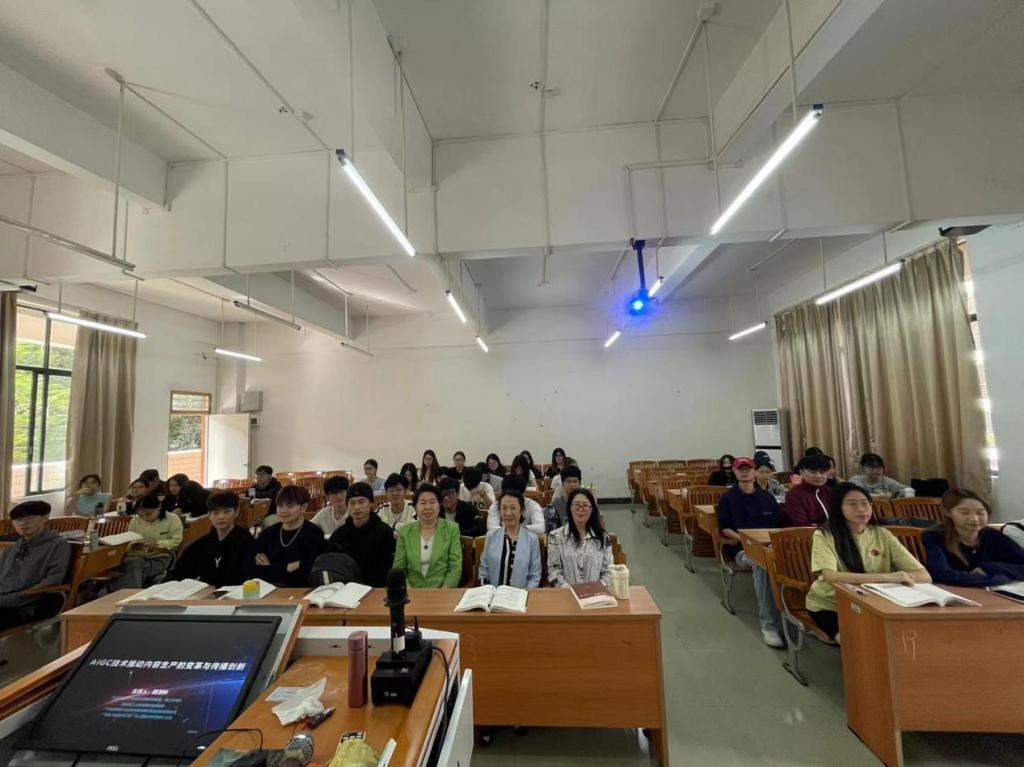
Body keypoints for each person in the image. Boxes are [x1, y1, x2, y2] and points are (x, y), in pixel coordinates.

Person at [806, 483, 930, 641]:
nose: (861, 509)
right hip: (832, 606)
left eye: (865, 503)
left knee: (908, 636)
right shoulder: (825, 535)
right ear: (838, 508)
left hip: (877, 604)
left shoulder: (882, 533)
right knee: (857, 641)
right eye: (852, 504)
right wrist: (888, 578)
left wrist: (898, 578)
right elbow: (832, 576)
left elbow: (924, 576)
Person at [717, 458, 784, 648]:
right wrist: (746, 540)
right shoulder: (728, 498)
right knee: (761, 563)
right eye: (741, 469)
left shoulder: (767, 498)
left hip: (770, 547)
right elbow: (725, 529)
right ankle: (769, 625)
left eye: (748, 469)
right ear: (735, 472)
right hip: (742, 550)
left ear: (754, 472)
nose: (745, 472)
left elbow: (777, 528)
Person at [922, 489, 1024, 587]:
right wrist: (996, 579)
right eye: (964, 512)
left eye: (980, 513)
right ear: (948, 512)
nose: (974, 519)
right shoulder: (934, 536)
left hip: (992, 593)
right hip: (953, 592)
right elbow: (940, 574)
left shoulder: (992, 535)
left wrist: (990, 568)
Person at [0, 501, 71, 631]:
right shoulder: (11, 549)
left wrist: (21, 595)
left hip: (29, 603)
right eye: (18, 520)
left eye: (30, 518)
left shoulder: (57, 544)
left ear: (45, 518)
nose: (22, 523)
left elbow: (53, 579)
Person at [168, 491, 256, 586]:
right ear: (209, 515)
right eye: (216, 513)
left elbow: (247, 577)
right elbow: (181, 569)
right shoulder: (204, 542)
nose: (221, 517)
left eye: (226, 512)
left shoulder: (246, 541)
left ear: (236, 512)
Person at [393, 483, 462, 588]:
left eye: (432, 502)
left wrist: (444, 591)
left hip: (443, 591)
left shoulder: (452, 529)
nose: (428, 507)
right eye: (423, 503)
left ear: (439, 505)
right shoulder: (405, 532)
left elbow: (455, 567)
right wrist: (409, 591)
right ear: (416, 507)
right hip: (411, 591)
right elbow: (399, 568)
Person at [254, 485, 326, 587]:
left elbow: (306, 573)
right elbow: (254, 569)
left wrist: (270, 568)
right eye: (280, 506)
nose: (283, 511)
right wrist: (288, 567)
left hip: (301, 591)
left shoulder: (314, 534)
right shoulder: (268, 533)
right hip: (268, 589)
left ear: (304, 507)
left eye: (290, 506)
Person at [328, 482, 396, 587]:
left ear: (371, 504)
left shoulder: (384, 532)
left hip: (377, 589)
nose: (357, 507)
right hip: (346, 590)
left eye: (361, 502)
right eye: (352, 503)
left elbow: (389, 568)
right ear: (347, 506)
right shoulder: (339, 535)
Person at [112, 494, 184, 589]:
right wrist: (133, 545)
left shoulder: (172, 519)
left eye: (149, 514)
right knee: (129, 564)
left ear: (159, 507)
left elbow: (176, 543)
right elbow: (129, 539)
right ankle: (132, 593)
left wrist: (157, 544)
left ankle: (125, 593)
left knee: (132, 566)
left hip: (162, 556)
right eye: (141, 515)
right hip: (138, 555)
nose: (145, 518)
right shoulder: (135, 520)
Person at [547, 488, 613, 588]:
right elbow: (554, 571)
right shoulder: (555, 537)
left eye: (585, 505)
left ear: (591, 509)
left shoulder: (603, 538)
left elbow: (609, 571)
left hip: (596, 593)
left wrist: (597, 588)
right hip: (567, 593)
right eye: (576, 505)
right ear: (570, 507)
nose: (580, 509)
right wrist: (569, 590)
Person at [478, 490, 542, 589]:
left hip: (521, 594)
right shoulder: (491, 536)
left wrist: (524, 593)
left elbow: (535, 576)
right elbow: (483, 569)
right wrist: (486, 590)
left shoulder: (532, 539)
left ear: (521, 510)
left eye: (513, 508)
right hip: (493, 593)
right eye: (504, 508)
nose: (508, 513)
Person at [782, 454, 833, 526]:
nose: (818, 476)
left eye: (822, 472)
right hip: (807, 533)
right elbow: (802, 524)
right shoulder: (794, 495)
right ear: (801, 472)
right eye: (813, 472)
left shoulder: (829, 492)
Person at [849, 453, 914, 498]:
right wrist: (886, 496)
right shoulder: (856, 480)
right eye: (871, 467)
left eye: (878, 467)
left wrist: (897, 494)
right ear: (862, 468)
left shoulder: (886, 480)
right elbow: (860, 495)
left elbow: (909, 490)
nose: (875, 470)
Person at [548, 465, 583, 529]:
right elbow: (552, 530)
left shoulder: (587, 504)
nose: (572, 485)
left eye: (575, 481)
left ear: (580, 483)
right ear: (562, 483)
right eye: (568, 481)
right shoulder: (556, 504)